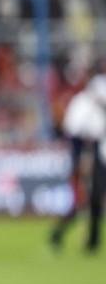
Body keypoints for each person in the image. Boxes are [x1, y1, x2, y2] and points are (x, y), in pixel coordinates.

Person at [49, 74, 106, 254]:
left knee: (93, 200)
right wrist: (82, 159)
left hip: (98, 155)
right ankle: (59, 232)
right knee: (83, 199)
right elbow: (76, 133)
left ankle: (92, 239)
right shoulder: (81, 105)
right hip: (87, 155)